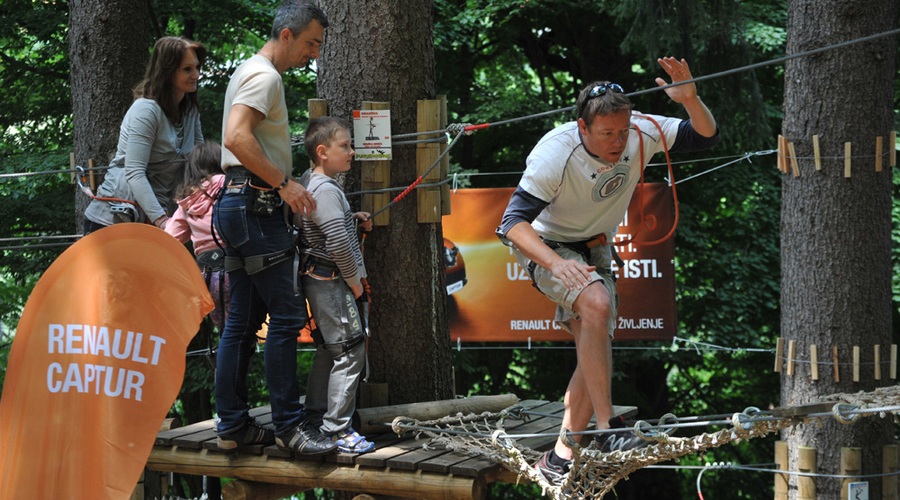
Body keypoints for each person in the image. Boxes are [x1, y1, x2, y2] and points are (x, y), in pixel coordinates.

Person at [496, 57, 719, 485]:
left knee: (592, 337)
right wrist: (559, 264)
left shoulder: (641, 130)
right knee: (596, 304)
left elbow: (704, 136)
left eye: (622, 130)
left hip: (597, 245)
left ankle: (561, 454)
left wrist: (690, 100)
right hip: (548, 246)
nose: (618, 141)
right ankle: (605, 429)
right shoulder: (555, 151)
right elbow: (512, 224)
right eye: (606, 134)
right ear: (582, 128)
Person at [213, 0, 335, 455]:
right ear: (287, 35)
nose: (314, 54)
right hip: (256, 206)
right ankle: (290, 427)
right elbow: (236, 137)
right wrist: (284, 184)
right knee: (285, 317)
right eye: (310, 43)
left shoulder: (248, 70)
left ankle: (232, 426)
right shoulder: (265, 75)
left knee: (241, 324)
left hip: (239, 205)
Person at [297, 116, 375, 453]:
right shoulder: (326, 189)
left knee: (330, 349)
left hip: (319, 277)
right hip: (331, 280)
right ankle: (337, 430)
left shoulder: (311, 182)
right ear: (322, 151)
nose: (352, 152)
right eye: (344, 146)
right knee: (350, 349)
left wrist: (350, 217)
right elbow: (339, 244)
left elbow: (327, 224)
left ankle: (316, 416)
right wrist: (356, 283)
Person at [83, 36, 206, 234]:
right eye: (187, 69)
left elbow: (198, 164)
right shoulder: (146, 110)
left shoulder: (190, 110)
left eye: (197, 67)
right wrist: (163, 221)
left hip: (155, 220)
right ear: (168, 72)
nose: (196, 75)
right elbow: (134, 171)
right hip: (114, 221)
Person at [165, 141, 228, 332]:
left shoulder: (187, 200)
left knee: (225, 331)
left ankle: (224, 361)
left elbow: (170, 238)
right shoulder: (228, 185)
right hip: (234, 269)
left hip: (206, 278)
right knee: (242, 329)